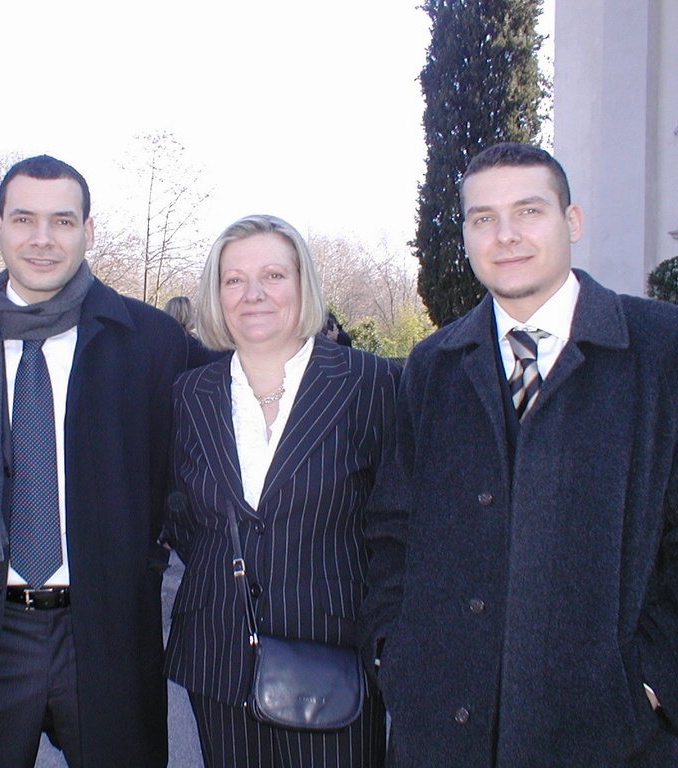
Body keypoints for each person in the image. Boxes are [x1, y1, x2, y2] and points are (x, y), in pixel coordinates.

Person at [360, 142, 678, 766]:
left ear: (572, 220)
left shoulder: (661, 350)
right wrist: (392, 650)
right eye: (483, 218)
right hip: (443, 731)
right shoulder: (433, 365)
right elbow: (393, 527)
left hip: (614, 735)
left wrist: (654, 678)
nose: (505, 235)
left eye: (529, 210)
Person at [0, 154, 187, 767]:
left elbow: (180, 476)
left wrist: (140, 563)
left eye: (62, 221)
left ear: (88, 231)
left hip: (108, 628)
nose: (42, 239)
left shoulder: (152, 342)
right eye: (23, 219)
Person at [163, 215, 398, 767]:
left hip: (334, 660)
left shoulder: (369, 384)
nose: (254, 294)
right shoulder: (190, 394)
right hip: (219, 658)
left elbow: (397, 521)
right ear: (216, 295)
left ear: (302, 284)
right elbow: (180, 517)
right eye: (234, 279)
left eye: (273, 275)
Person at [165, 294, 226, 368]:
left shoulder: (165, 341)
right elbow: (213, 359)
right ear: (183, 315)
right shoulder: (189, 344)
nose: (196, 315)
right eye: (193, 311)